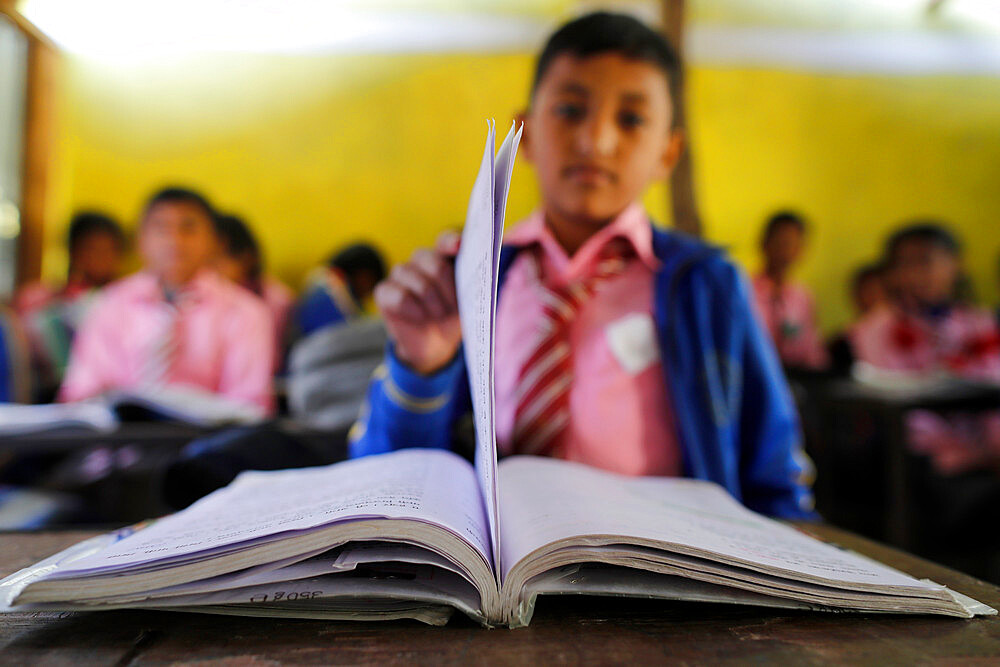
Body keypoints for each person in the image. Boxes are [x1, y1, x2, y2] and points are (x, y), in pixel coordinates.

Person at [349, 12, 814, 519]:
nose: (597, 141)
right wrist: (422, 366)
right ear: (523, 134)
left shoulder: (708, 285)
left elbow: (775, 472)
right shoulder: (472, 277)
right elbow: (384, 476)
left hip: (666, 567)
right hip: (499, 569)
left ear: (669, 152)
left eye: (631, 119)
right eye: (570, 110)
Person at [59, 187, 275, 412]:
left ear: (215, 241)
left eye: (188, 228)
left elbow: (249, 404)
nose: (174, 239)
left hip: (212, 443)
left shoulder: (246, 311)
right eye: (161, 227)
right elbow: (82, 390)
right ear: (140, 240)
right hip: (118, 443)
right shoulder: (109, 303)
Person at [852, 223, 1000, 474]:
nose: (914, 274)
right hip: (924, 460)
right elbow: (904, 410)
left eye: (925, 261)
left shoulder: (978, 322)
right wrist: (966, 457)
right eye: (903, 264)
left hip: (987, 451)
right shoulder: (876, 328)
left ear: (955, 265)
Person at [15, 213, 127, 396]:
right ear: (74, 252)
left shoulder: (126, 300)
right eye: (92, 249)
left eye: (109, 250)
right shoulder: (43, 298)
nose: (101, 258)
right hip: (51, 390)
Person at [751, 211, 828, 371]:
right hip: (756, 371)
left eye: (792, 243)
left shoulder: (802, 296)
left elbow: (812, 349)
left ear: (801, 250)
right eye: (780, 241)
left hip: (797, 375)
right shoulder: (746, 290)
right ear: (764, 243)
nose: (785, 249)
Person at [215, 212, 294, 366]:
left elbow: (271, 361)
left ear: (247, 258)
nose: (211, 270)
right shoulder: (209, 297)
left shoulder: (275, 300)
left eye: (218, 260)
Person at [291, 242, 387, 338]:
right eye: (372, 282)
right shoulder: (328, 293)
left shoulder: (320, 282)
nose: (370, 293)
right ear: (363, 274)